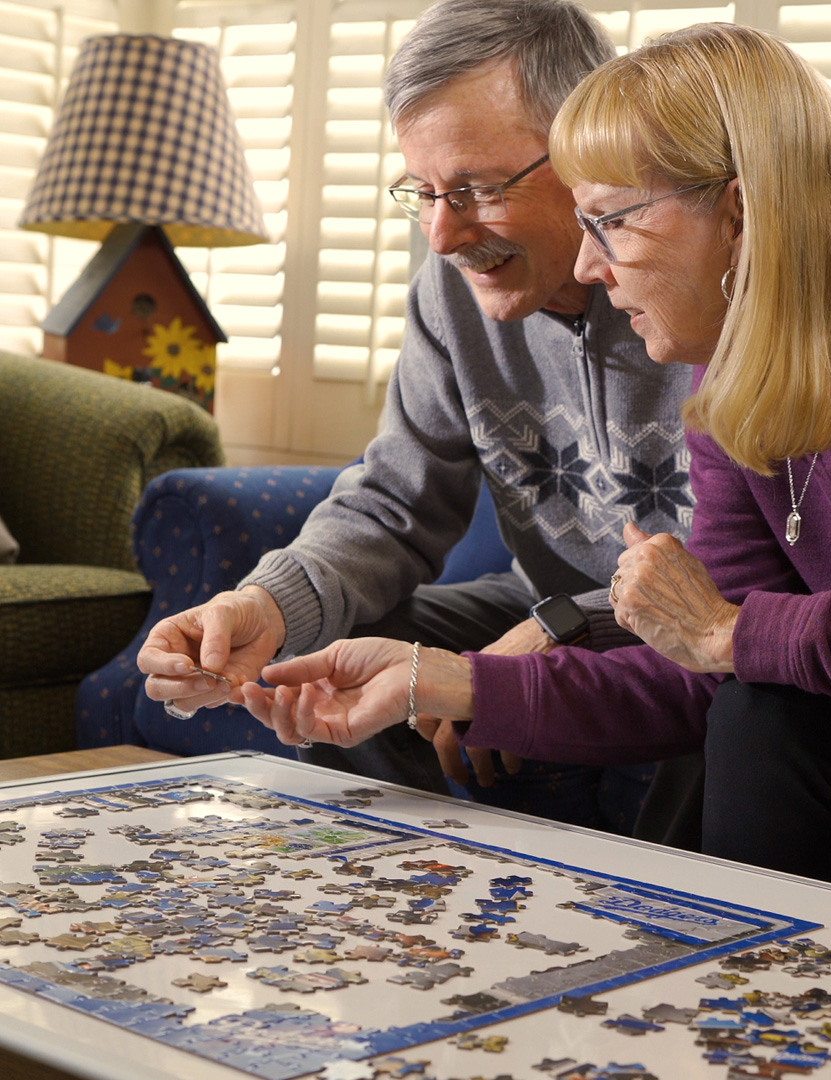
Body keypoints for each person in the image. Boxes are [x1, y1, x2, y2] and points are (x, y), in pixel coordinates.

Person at [233, 21, 831, 935]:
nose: (592, 265)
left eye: (612, 219)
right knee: (760, 715)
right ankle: (761, 1021)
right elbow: (704, 668)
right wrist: (435, 683)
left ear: (742, 215)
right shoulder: (727, 373)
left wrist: (730, 631)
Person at [136, 0, 697, 834]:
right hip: (540, 598)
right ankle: (418, 921)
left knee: (737, 689)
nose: (440, 235)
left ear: (589, 149)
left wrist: (566, 630)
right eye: (424, 193)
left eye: (474, 189)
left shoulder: (705, 278)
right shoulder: (451, 290)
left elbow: (754, 577)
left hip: (689, 616)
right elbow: (394, 505)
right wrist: (265, 606)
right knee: (323, 659)